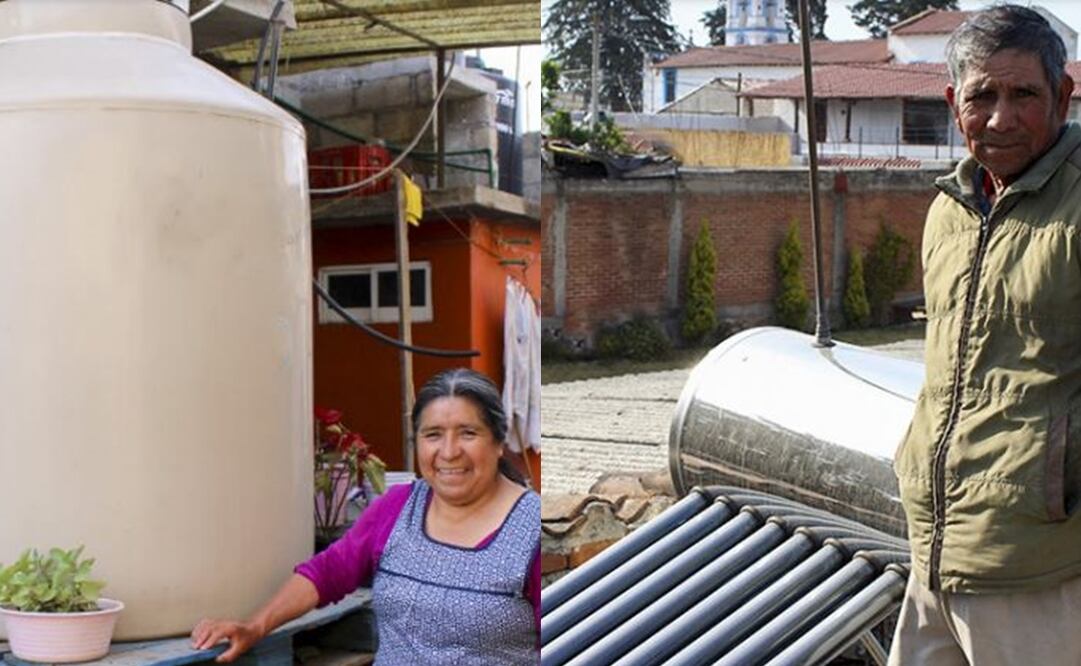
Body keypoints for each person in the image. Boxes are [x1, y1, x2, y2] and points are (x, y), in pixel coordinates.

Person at [889, 5, 1081, 664]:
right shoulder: (950, 209)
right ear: (952, 103)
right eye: (982, 96)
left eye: (1023, 94)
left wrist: (1056, 479)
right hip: (934, 553)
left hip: (1042, 570)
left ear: (1062, 94)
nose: (1000, 117)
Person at [191, 368, 540, 664]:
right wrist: (255, 627)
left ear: (497, 442)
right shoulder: (398, 506)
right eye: (433, 435)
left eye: (468, 433)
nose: (448, 452)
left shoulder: (531, 531)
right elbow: (328, 572)